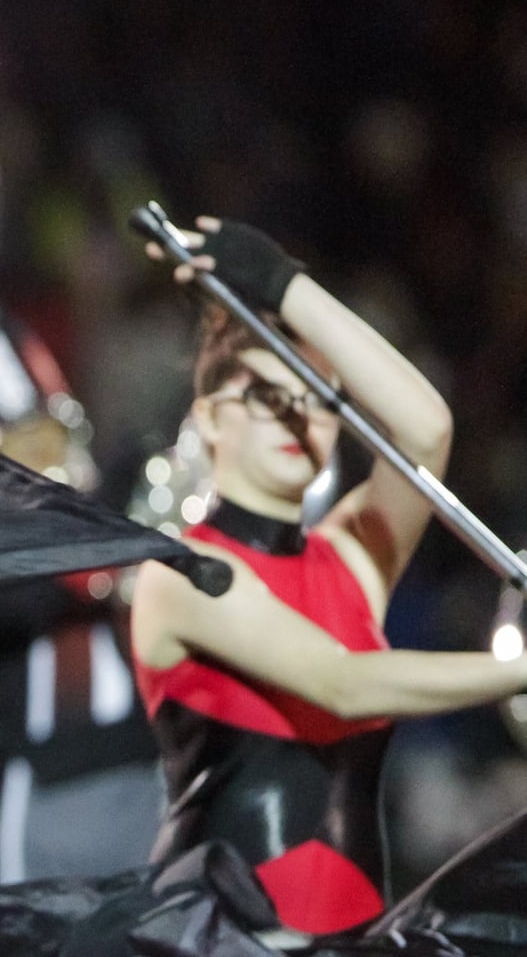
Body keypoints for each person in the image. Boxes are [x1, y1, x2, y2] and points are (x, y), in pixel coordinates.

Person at [127, 216, 527, 936]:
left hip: (353, 937)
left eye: (317, 400)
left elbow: (424, 428)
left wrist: (287, 284)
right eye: (264, 395)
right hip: (223, 936)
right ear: (208, 420)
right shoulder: (184, 573)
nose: (296, 412)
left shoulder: (347, 559)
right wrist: (516, 672)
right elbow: (342, 684)